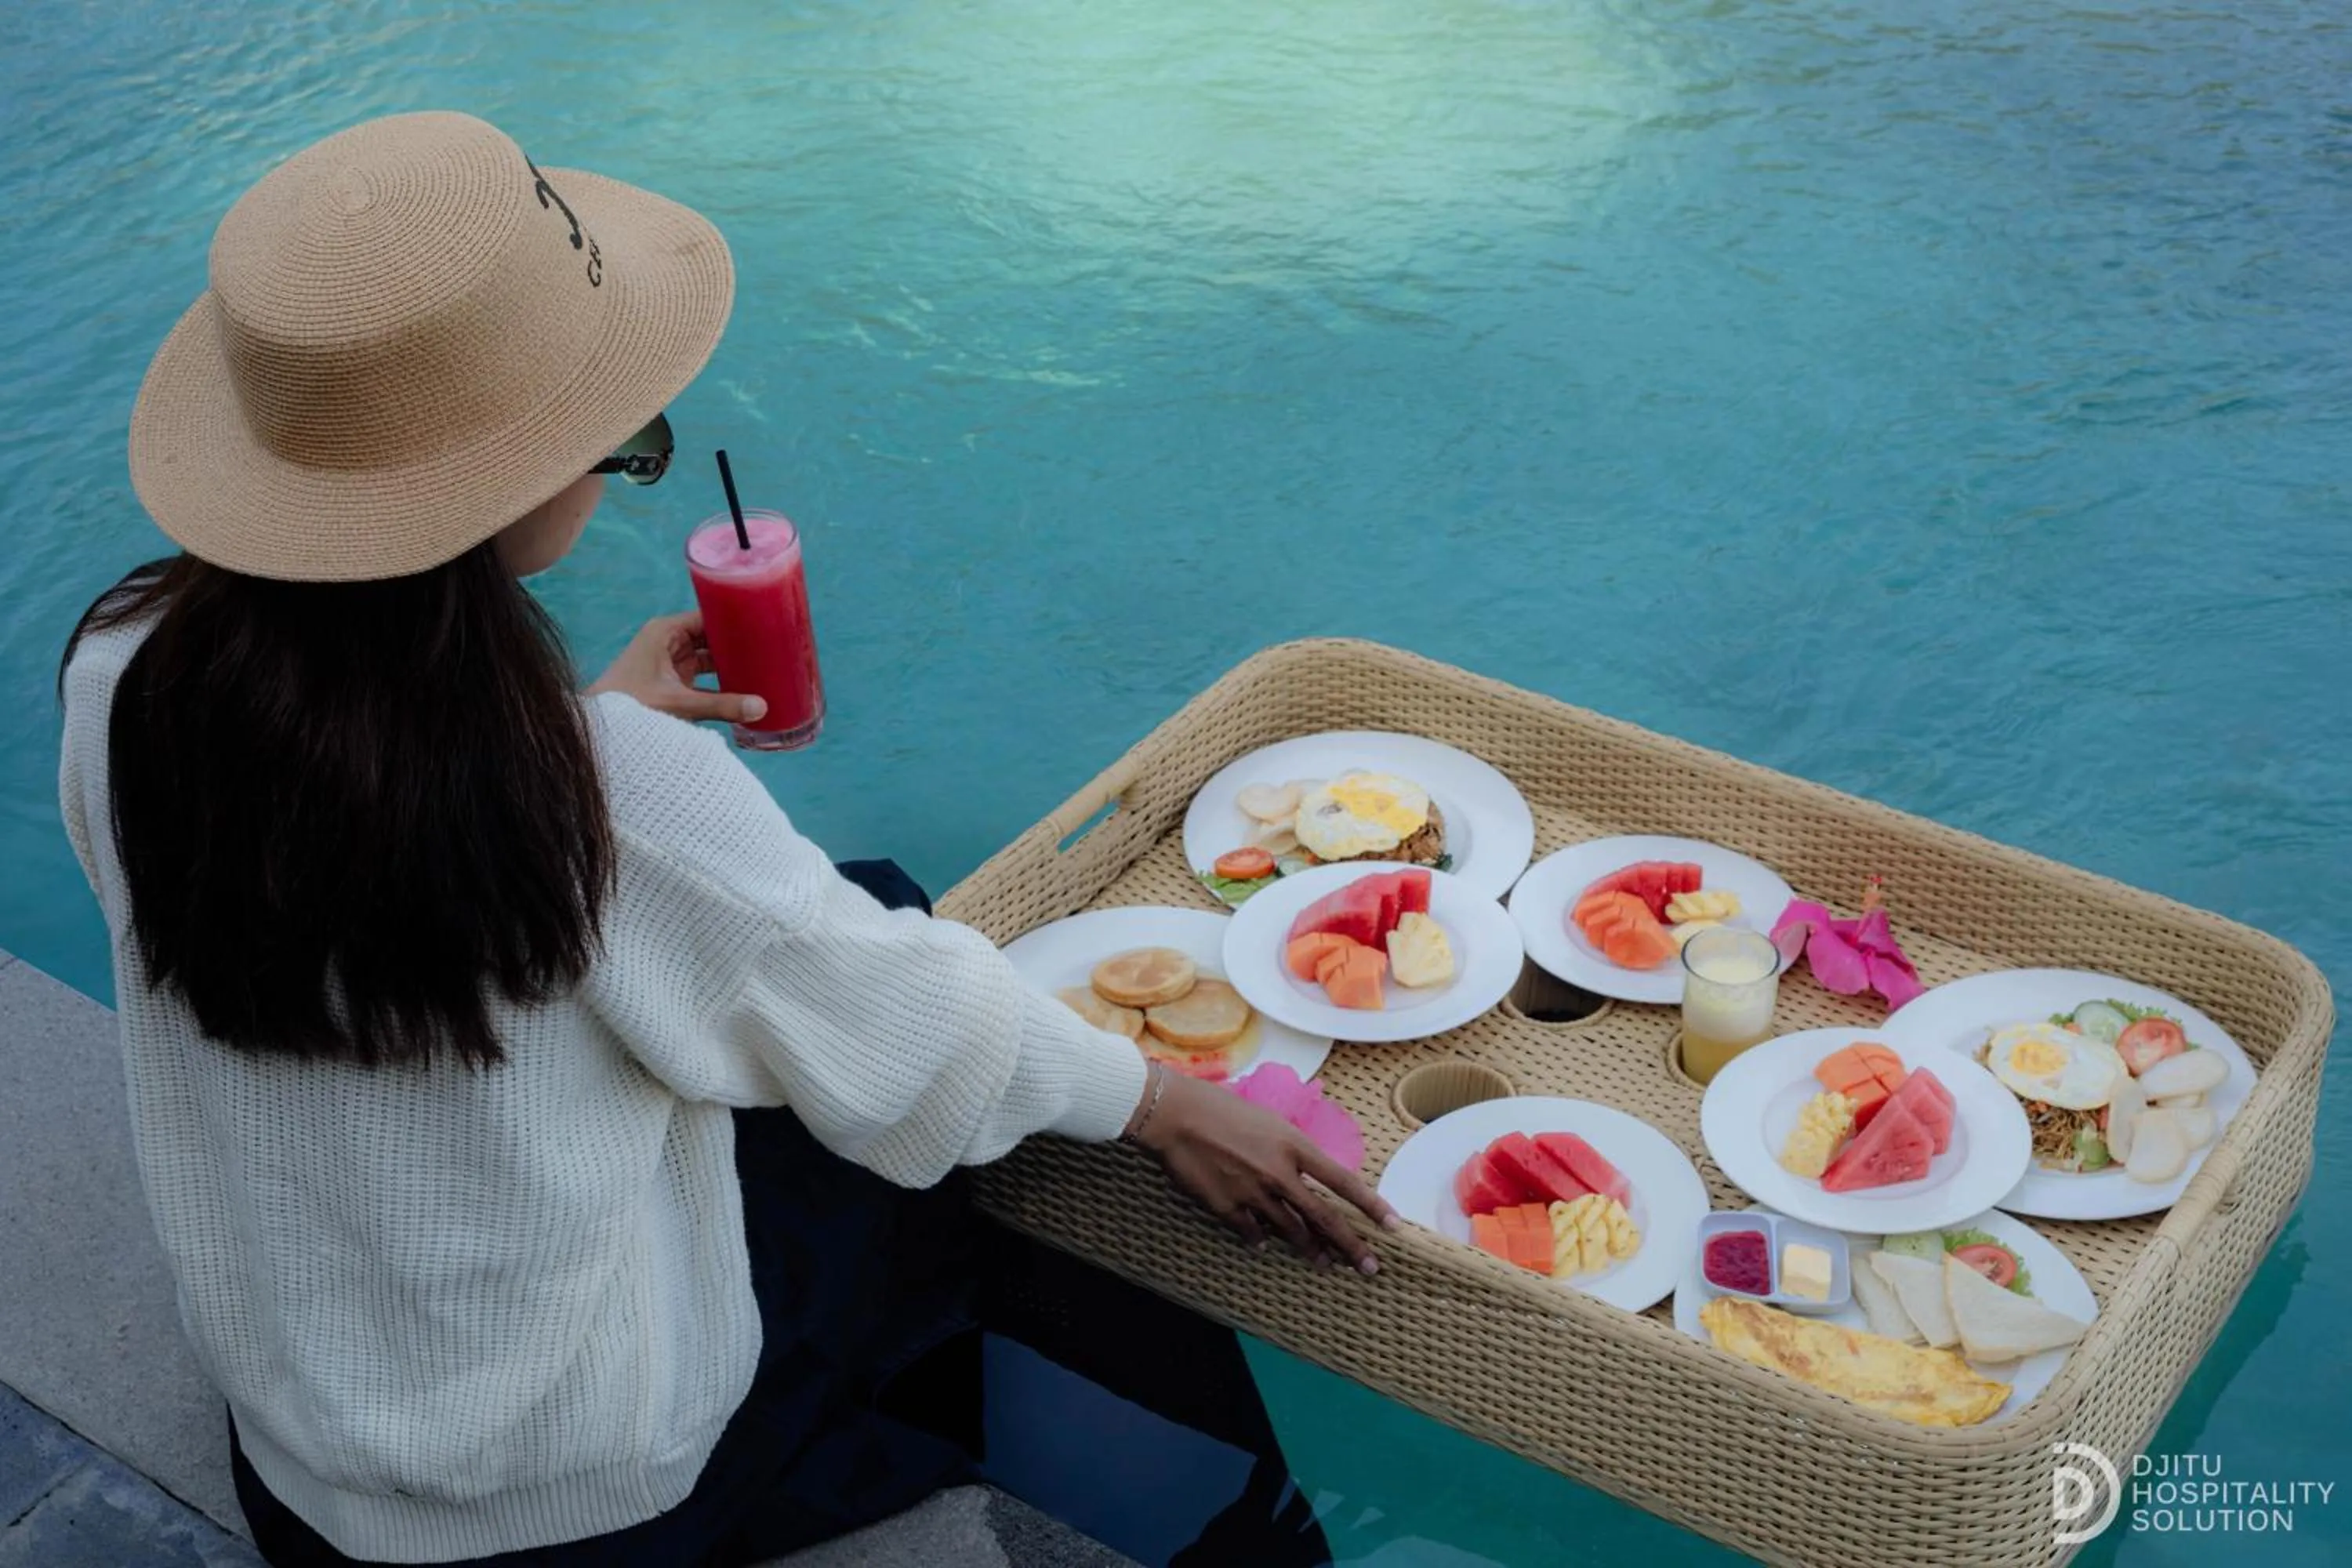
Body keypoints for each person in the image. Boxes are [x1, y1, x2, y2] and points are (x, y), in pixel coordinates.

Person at [57, 111, 1395, 1567]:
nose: (624, 462)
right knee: (973, 1111)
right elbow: (918, 1034)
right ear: (507, 485)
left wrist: (577, 721)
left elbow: (360, 863)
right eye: (620, 440)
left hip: (312, 1472)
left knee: (854, 948)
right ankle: (1250, 1537)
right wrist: (1160, 1104)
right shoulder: (608, 799)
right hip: (583, 1506)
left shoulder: (126, 672)